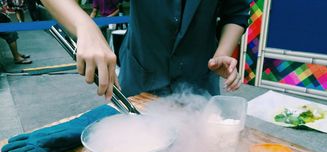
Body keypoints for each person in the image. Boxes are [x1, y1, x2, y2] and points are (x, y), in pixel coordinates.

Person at [41, 0, 250, 99]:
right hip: (142, 74)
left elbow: (236, 13)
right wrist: (85, 26)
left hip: (199, 77)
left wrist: (222, 52)